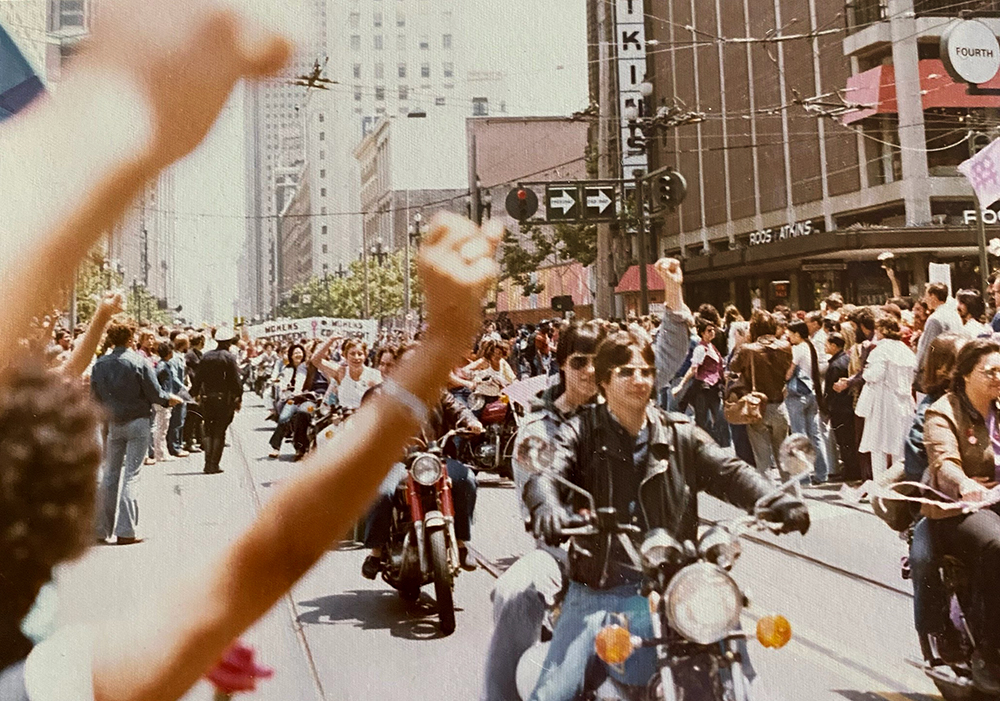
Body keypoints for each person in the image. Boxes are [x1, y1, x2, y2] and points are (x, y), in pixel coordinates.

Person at [522, 328, 809, 701]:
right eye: (625, 372)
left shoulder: (680, 434)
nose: (638, 380)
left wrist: (775, 499)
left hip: (675, 587)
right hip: (602, 588)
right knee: (555, 692)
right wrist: (547, 505)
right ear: (605, 381)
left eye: (645, 371)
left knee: (736, 665)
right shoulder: (581, 432)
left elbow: (730, 471)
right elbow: (547, 473)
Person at [480, 322, 608, 701]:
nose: (589, 370)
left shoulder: (624, 412)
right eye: (579, 361)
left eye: (598, 362)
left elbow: (663, 361)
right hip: (565, 555)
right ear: (562, 365)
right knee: (515, 590)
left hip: (633, 556)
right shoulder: (538, 430)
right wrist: (552, 513)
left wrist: (673, 296)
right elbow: (534, 492)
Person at [360, 343, 484, 578]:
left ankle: (460, 542)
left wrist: (471, 421)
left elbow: (458, 409)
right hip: (397, 461)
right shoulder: (380, 394)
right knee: (382, 491)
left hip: (436, 458)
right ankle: (375, 552)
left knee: (467, 479)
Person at [923, 338, 1000, 693]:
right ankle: (990, 651)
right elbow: (944, 462)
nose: (998, 378)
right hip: (959, 509)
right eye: (991, 372)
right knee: (997, 546)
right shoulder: (943, 411)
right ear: (966, 374)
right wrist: (966, 483)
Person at [903, 334, 966, 664]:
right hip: (942, 504)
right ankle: (937, 629)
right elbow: (920, 471)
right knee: (925, 557)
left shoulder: (985, 401)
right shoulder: (930, 411)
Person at [90, 323, 183, 544]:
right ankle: (126, 531)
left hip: (114, 424)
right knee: (132, 475)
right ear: (131, 339)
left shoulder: (100, 364)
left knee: (110, 475)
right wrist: (169, 399)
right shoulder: (139, 362)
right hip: (138, 422)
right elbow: (155, 392)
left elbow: (94, 398)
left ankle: (101, 530)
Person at [729, 309, 794, 477]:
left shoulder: (747, 349)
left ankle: (769, 500)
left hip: (758, 407)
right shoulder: (785, 347)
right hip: (779, 406)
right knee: (784, 462)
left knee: (763, 463)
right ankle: (793, 499)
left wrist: (742, 343)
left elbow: (733, 367)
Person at [856, 314, 917, 480]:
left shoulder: (881, 349)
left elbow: (874, 375)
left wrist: (866, 370)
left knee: (878, 447)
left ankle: (880, 486)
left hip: (884, 402)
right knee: (899, 447)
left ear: (882, 330)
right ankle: (899, 485)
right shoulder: (905, 350)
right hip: (903, 402)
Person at [190, 324, 243, 474]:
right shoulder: (229, 357)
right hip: (224, 400)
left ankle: (207, 463)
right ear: (228, 342)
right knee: (219, 432)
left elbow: (198, 379)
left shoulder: (206, 356)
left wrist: (194, 394)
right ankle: (214, 464)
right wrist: (238, 398)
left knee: (208, 430)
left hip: (207, 399)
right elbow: (236, 382)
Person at [785, 320, 829, 484]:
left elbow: (789, 374)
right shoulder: (811, 347)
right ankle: (822, 473)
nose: (788, 337)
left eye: (790, 334)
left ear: (797, 334)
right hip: (812, 393)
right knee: (815, 435)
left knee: (799, 436)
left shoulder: (797, 349)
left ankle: (803, 477)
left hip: (798, 396)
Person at [673, 316, 729, 446]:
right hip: (703, 389)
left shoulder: (712, 347)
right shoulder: (700, 349)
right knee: (702, 421)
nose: (712, 332)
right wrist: (681, 385)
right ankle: (701, 448)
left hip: (715, 388)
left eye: (713, 330)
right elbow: (693, 369)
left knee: (720, 418)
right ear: (702, 333)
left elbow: (719, 367)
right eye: (709, 330)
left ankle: (722, 446)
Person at [824, 333, 860, 482]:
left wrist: (827, 406)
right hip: (847, 406)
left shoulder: (836, 365)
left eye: (827, 344)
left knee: (844, 441)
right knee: (849, 441)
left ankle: (851, 471)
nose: (825, 347)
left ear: (834, 346)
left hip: (839, 408)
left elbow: (831, 390)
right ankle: (851, 469)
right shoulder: (845, 359)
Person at [312, 336, 382, 411]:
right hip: (343, 417)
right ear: (345, 356)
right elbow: (315, 360)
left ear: (365, 355)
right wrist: (330, 340)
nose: (356, 357)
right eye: (352, 354)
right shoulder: (340, 372)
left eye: (360, 354)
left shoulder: (374, 374)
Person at [915, 282, 963, 379]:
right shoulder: (954, 315)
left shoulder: (935, 319)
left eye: (926, 295)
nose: (925, 299)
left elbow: (927, 348)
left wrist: (916, 371)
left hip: (936, 372)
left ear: (932, 296)